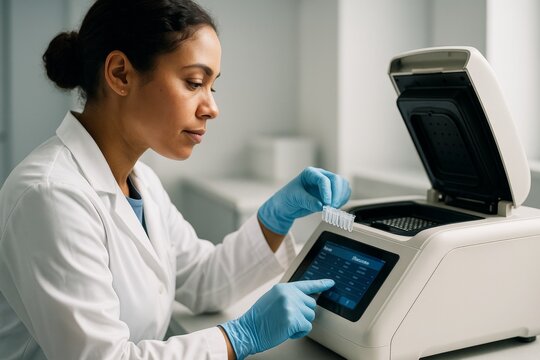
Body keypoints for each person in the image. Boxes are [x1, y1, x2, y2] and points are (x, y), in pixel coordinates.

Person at [0, 0, 351, 359]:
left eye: (211, 87)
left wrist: (275, 218)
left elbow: (203, 280)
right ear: (121, 74)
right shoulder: (50, 195)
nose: (211, 108)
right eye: (194, 82)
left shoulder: (142, 182)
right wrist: (239, 337)